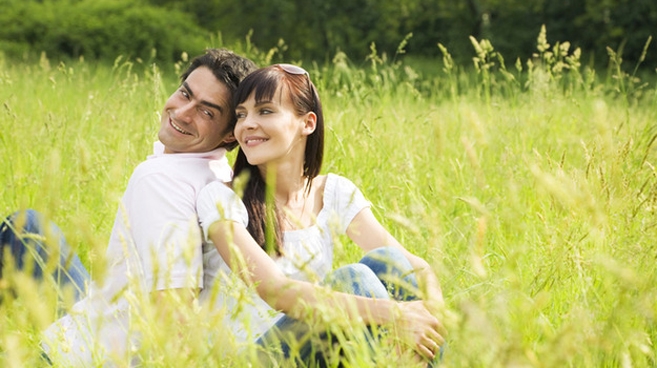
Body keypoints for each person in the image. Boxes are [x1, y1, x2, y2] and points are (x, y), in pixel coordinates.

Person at [0, 48, 257, 366]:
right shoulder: (220, 175)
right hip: (105, 312)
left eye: (207, 112)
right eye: (185, 93)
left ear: (231, 133)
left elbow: (173, 312)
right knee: (26, 225)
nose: (182, 112)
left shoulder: (161, 180)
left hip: (81, 355)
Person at [196, 64, 447, 366]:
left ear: (308, 123)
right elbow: (276, 292)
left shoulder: (333, 193)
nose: (247, 124)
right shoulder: (222, 198)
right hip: (254, 358)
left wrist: (428, 318)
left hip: (317, 352)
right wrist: (397, 315)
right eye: (241, 114)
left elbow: (418, 269)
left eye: (264, 111)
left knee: (391, 264)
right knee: (355, 279)